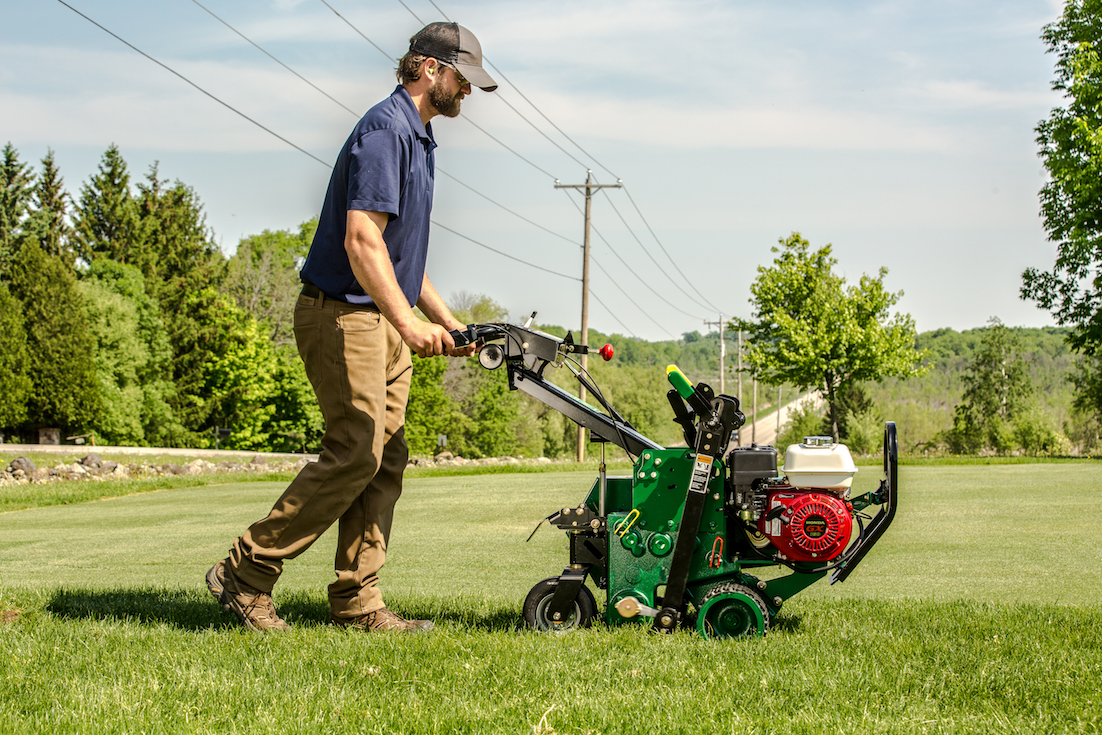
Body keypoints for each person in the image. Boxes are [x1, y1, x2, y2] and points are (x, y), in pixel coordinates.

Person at [206, 22, 498, 633]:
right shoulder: (386, 131)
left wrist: (447, 322)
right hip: (343, 315)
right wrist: (409, 324)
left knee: (385, 456)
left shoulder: (419, 139)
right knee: (355, 451)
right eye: (462, 78)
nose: (468, 92)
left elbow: (397, 257)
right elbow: (362, 241)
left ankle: (358, 602)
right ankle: (246, 571)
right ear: (428, 68)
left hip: (379, 320)